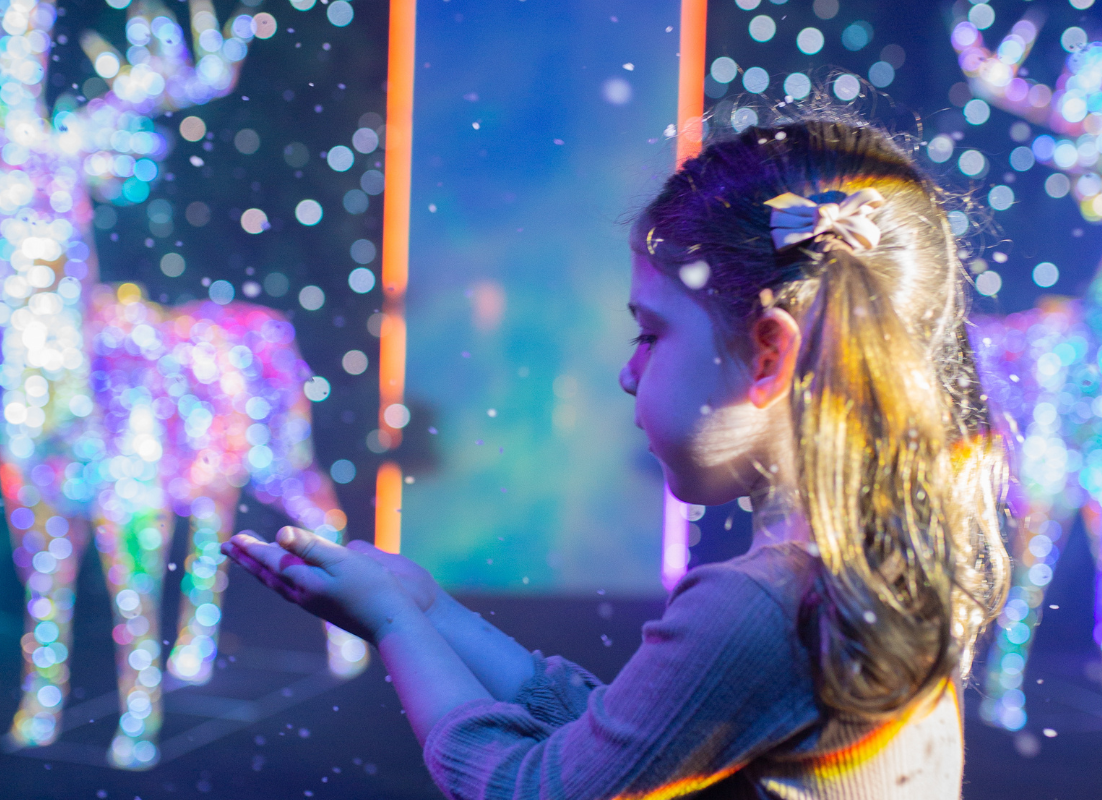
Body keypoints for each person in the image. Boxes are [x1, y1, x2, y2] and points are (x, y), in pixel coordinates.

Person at [222, 114, 1010, 799]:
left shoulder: (764, 607)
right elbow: (630, 738)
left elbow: (532, 788)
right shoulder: (865, 582)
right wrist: (431, 609)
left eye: (651, 333)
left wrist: (394, 624)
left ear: (769, 353)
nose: (629, 373)